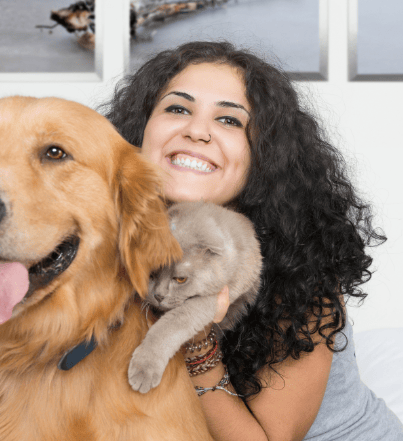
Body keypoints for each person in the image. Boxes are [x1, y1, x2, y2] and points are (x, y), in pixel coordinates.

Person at [101, 41, 403, 441]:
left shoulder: (300, 263)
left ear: (262, 154)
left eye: (229, 120)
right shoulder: (100, 239)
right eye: (177, 109)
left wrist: (195, 339)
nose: (196, 130)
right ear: (140, 131)